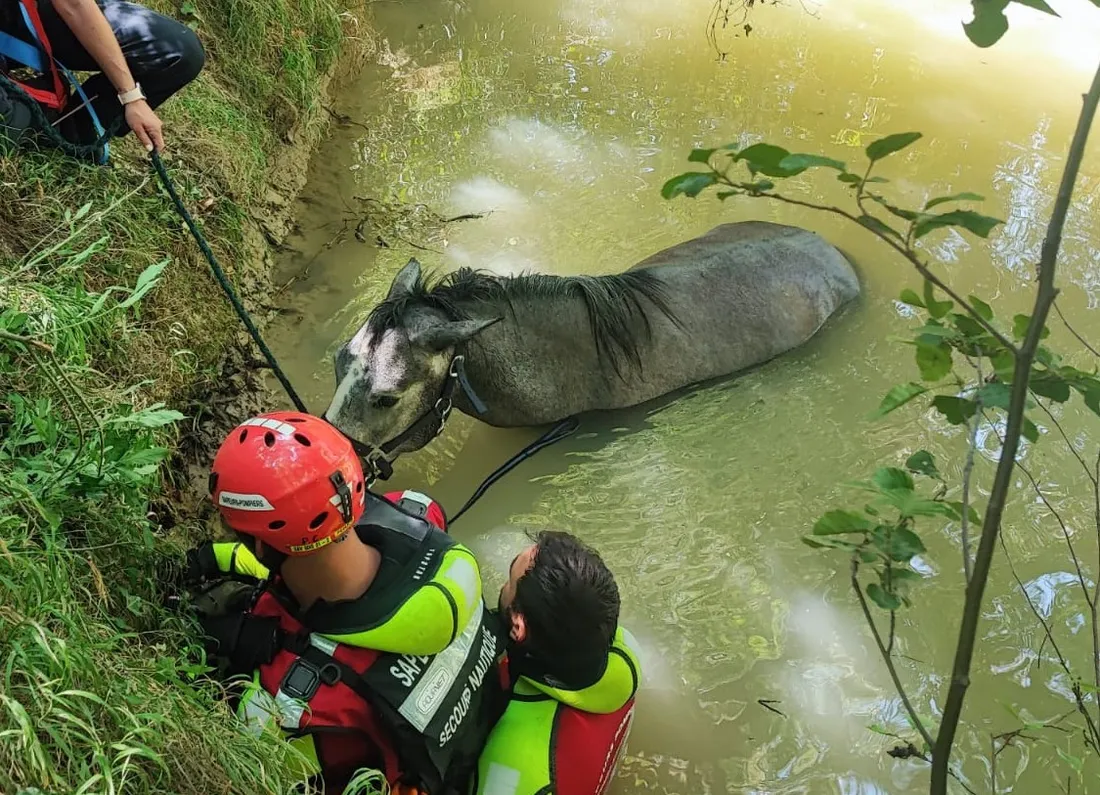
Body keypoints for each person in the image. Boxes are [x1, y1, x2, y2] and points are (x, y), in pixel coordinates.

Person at [184, 411, 505, 795]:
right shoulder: (419, 517)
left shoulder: (300, 703)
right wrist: (212, 558)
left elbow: (254, 768)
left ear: (255, 545)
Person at [474, 531, 642, 795]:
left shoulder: (510, 771)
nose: (503, 588)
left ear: (518, 626)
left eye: (509, 580)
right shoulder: (625, 653)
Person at [0, 0, 204, 153]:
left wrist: (130, 95)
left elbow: (76, 5)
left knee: (180, 53)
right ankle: (32, 116)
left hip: (20, 14)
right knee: (8, 127)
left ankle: (75, 129)